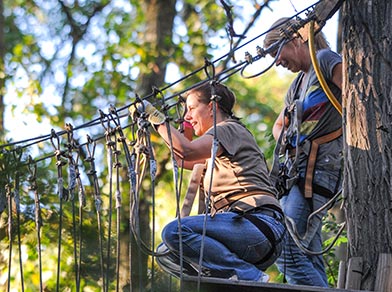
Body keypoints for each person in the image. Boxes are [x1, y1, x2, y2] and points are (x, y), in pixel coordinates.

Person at [129, 82, 286, 282]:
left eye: (192, 108)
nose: (188, 114)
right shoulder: (218, 151)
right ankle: (225, 280)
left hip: (258, 225)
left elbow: (187, 150)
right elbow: (182, 159)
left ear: (212, 107)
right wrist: (186, 123)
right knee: (167, 252)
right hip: (247, 232)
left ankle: (247, 275)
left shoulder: (227, 129)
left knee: (174, 231)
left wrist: (155, 116)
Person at [263, 17, 343, 287]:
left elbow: (356, 94)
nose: (276, 62)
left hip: (320, 169)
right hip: (296, 172)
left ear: (297, 40)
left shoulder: (325, 60)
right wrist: (286, 136)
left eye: (277, 52)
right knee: (305, 255)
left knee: (283, 247)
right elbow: (278, 125)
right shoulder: (297, 84)